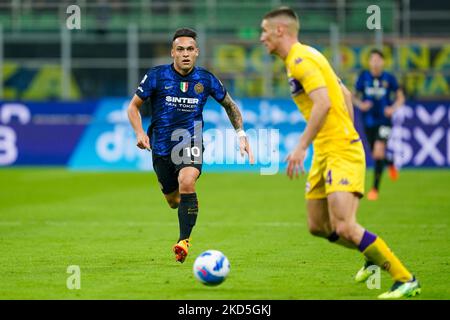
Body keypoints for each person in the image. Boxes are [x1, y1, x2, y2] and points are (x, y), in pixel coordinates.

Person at [260, 7, 420, 299]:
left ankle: (405, 278)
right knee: (317, 226)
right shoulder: (307, 56)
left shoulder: (300, 60)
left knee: (345, 226)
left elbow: (323, 104)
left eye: (264, 31)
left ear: (279, 30)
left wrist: (303, 145)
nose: (261, 38)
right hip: (326, 150)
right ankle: (370, 255)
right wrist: (340, 132)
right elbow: (344, 94)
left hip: (339, 151)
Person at [127, 28, 254, 263]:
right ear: (172, 53)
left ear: (197, 52)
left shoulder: (205, 79)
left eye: (190, 49)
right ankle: (175, 201)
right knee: (173, 201)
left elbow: (230, 104)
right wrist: (139, 132)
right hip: (161, 147)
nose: (185, 54)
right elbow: (133, 107)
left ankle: (183, 241)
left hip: (190, 140)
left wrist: (241, 134)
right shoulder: (157, 76)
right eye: (180, 49)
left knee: (187, 181)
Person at [354, 49, 405, 201]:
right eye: (373, 59)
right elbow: (353, 96)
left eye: (378, 59)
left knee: (378, 151)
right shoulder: (363, 77)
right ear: (369, 62)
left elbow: (400, 97)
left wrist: (393, 108)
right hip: (368, 121)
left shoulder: (389, 78)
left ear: (383, 62)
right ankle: (390, 162)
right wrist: (360, 105)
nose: (375, 62)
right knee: (376, 154)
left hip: (384, 121)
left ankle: (375, 189)